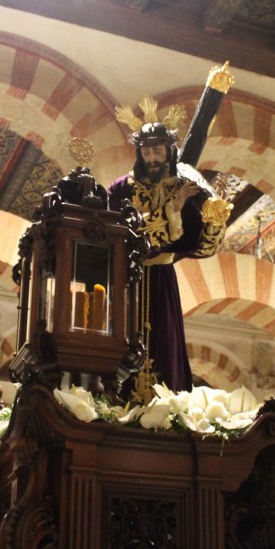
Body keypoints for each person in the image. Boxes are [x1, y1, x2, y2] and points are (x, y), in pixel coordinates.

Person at [108, 121, 231, 391]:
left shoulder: (184, 186)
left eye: (158, 152)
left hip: (163, 281)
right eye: (146, 152)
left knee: (164, 341)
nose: (152, 158)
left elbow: (202, 246)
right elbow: (120, 233)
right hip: (127, 281)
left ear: (169, 151)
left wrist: (214, 220)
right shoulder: (121, 189)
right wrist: (172, 208)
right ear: (139, 153)